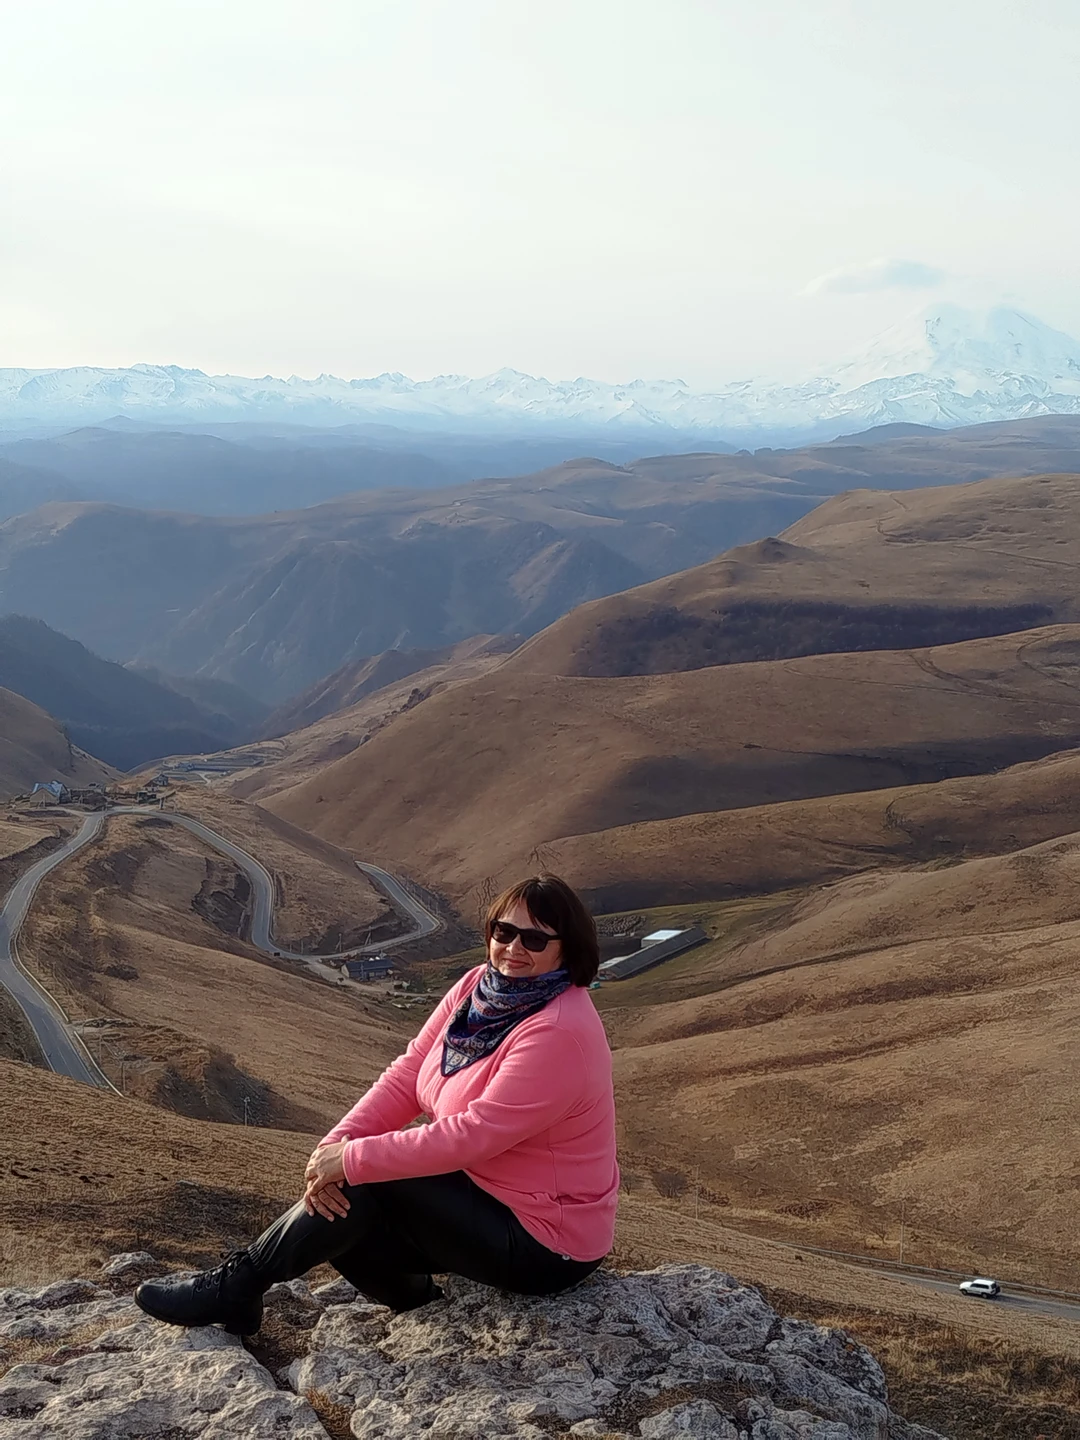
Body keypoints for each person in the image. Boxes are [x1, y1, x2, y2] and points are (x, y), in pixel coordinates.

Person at [134, 873, 619, 1334]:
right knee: (344, 1202)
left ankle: (234, 1287)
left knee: (366, 1182)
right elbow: (408, 1074)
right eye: (503, 931)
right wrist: (337, 1145)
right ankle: (422, 1309)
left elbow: (474, 1134)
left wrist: (352, 1160)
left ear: (567, 950)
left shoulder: (557, 1031)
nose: (512, 948)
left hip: (547, 1240)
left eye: (534, 940)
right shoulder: (478, 988)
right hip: (483, 1197)